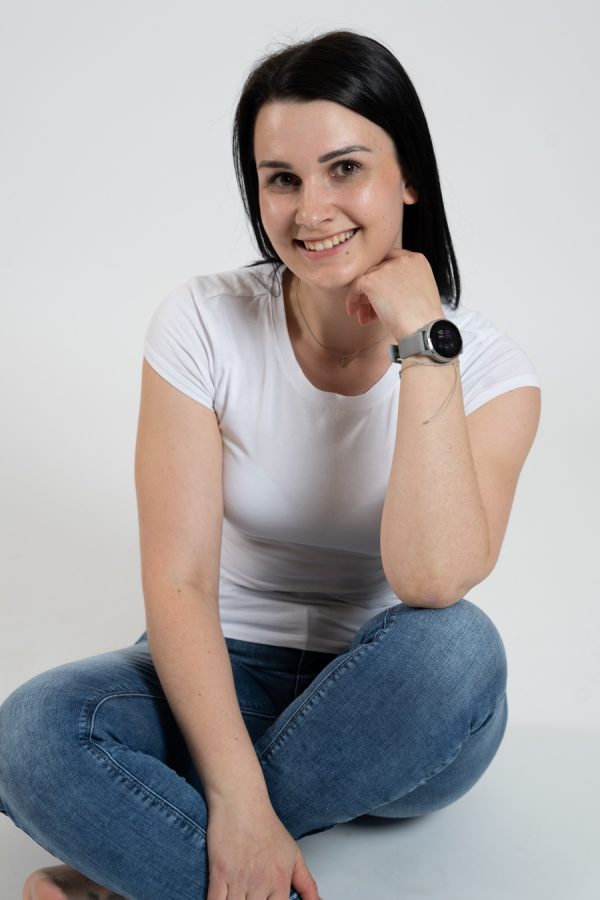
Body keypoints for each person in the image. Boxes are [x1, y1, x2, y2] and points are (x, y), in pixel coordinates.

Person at [0, 29, 541, 900]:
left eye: (344, 169)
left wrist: (422, 343)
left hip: (392, 704)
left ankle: (139, 861)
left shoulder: (493, 371)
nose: (310, 210)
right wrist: (239, 797)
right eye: (281, 179)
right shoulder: (202, 322)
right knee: (31, 730)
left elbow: (432, 578)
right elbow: (179, 580)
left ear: (409, 177)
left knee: (457, 649)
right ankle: (239, 847)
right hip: (224, 680)